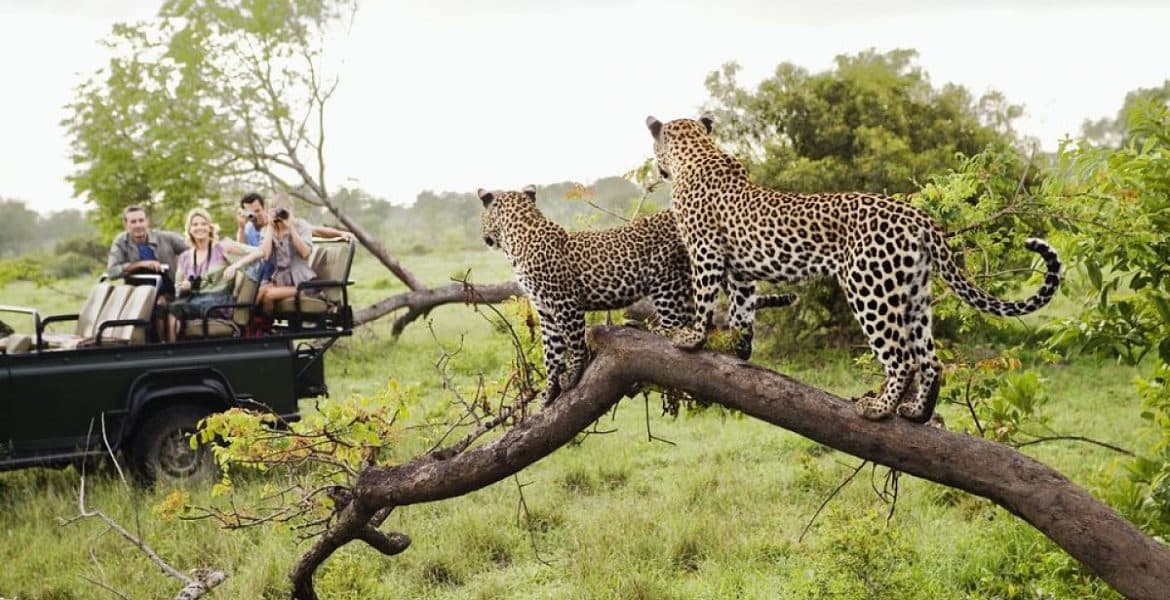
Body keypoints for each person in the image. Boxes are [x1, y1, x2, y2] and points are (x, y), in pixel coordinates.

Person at [166, 208, 264, 342]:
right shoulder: (184, 257)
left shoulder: (222, 247)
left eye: (203, 224)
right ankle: (173, 350)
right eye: (195, 224)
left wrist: (235, 265)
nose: (199, 227)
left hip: (218, 301)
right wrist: (185, 286)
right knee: (169, 309)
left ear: (210, 227)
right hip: (194, 299)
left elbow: (259, 252)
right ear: (189, 229)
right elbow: (178, 288)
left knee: (180, 309)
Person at [254, 194, 318, 316]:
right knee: (259, 291)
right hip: (281, 282)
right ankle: (256, 328)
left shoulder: (301, 225)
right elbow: (265, 256)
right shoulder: (268, 230)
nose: (281, 215)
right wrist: (270, 227)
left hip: (303, 284)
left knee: (269, 294)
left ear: (291, 210)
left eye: (284, 210)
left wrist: (291, 228)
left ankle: (262, 328)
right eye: (278, 211)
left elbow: (305, 253)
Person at [106, 205, 189, 297]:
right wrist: (140, 264)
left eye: (141, 220)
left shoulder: (165, 237)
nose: (138, 225)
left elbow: (195, 250)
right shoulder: (121, 241)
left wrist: (186, 273)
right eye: (133, 222)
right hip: (137, 296)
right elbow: (112, 272)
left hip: (170, 292)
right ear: (126, 224)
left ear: (147, 221)